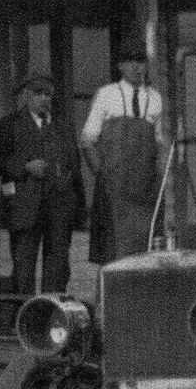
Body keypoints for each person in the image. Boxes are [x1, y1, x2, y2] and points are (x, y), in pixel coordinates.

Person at [0, 73, 84, 297]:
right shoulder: (8, 125)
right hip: (24, 206)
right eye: (39, 93)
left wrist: (76, 205)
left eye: (48, 94)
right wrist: (24, 166)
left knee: (58, 266)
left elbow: (75, 166)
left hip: (59, 206)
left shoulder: (63, 127)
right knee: (23, 268)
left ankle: (51, 311)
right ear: (26, 95)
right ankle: (25, 312)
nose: (44, 98)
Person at [81, 47, 167, 265]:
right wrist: (102, 175)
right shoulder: (106, 94)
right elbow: (87, 141)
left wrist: (159, 178)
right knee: (115, 253)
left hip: (145, 189)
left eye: (141, 62)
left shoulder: (155, 98)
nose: (137, 67)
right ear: (120, 66)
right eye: (130, 62)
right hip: (115, 189)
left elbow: (159, 143)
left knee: (146, 251)